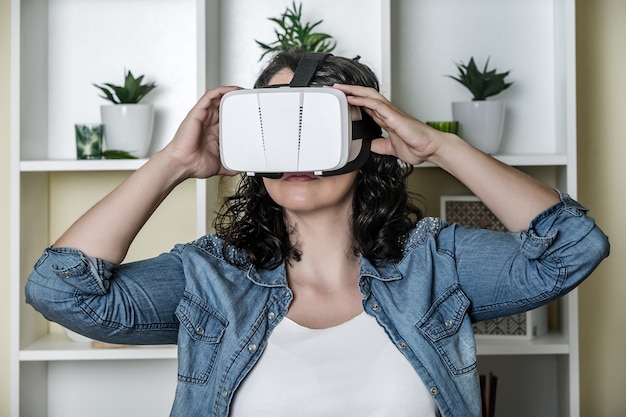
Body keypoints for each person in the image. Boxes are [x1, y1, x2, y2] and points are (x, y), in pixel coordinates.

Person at [25, 51, 609, 417]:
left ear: (367, 135)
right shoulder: (208, 276)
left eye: (317, 124)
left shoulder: (438, 260)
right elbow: (61, 289)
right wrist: (174, 163)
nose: (297, 150)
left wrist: (441, 148)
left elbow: (574, 248)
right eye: (277, 125)